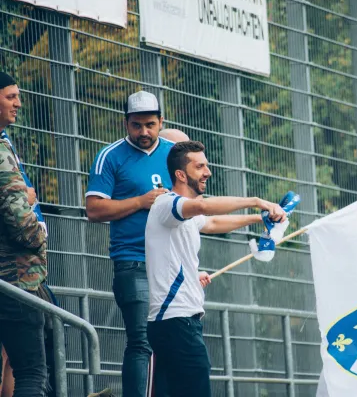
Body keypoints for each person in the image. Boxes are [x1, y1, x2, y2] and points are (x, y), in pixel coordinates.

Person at [145, 141, 286, 396]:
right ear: (180, 174)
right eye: (199, 166)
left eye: (206, 165)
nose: (207, 171)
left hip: (177, 322)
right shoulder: (168, 204)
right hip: (176, 322)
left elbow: (212, 221)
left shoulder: (183, 213)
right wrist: (257, 202)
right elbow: (203, 207)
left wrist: (260, 219)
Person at [85, 90, 173, 397]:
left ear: (161, 122)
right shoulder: (110, 156)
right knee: (142, 340)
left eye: (150, 124)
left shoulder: (176, 154)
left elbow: (197, 204)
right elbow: (94, 209)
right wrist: (140, 201)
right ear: (126, 123)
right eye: (136, 125)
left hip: (173, 264)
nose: (144, 132)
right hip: (132, 261)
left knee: (174, 341)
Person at [0, 72, 48, 396]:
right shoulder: (1, 151)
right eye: (10, 96)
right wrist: (41, 232)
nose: (18, 102)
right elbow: (19, 224)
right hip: (15, 280)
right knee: (31, 373)